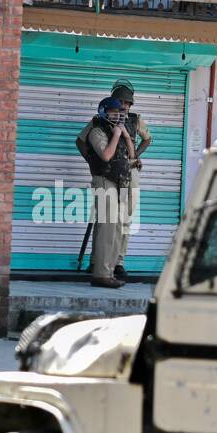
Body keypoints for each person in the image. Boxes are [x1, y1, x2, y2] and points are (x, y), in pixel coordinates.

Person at [79, 96, 134, 289]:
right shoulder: (97, 131)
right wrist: (118, 134)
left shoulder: (115, 131)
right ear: (104, 112)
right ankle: (101, 274)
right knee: (106, 228)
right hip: (103, 180)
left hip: (118, 182)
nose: (118, 116)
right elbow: (106, 155)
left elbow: (132, 155)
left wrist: (125, 135)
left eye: (120, 113)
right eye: (113, 112)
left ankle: (109, 271)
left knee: (117, 228)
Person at [112, 80, 151, 282]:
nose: (124, 106)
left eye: (127, 103)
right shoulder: (104, 117)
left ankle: (119, 261)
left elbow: (147, 138)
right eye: (121, 101)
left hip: (130, 172)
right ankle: (99, 260)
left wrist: (135, 156)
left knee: (126, 218)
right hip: (110, 173)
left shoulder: (135, 120)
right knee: (106, 219)